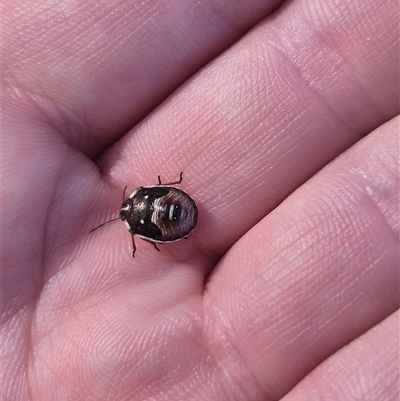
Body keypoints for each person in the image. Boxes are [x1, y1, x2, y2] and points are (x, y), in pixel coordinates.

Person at [2, 0, 399, 399]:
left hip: (175, 221)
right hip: (176, 217)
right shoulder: (140, 205)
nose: (127, 207)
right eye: (126, 209)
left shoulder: (139, 220)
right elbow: (156, 194)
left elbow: (154, 212)